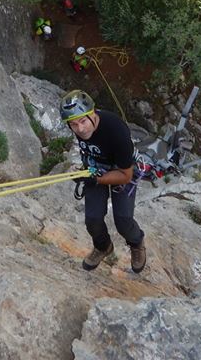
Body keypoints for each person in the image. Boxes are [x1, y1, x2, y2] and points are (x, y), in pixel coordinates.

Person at [60, 89, 146, 273]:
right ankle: (103, 247)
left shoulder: (116, 132)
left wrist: (97, 180)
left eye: (83, 121)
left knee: (123, 221)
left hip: (121, 170)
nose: (80, 129)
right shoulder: (80, 127)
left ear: (93, 112)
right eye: (74, 124)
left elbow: (126, 175)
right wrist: (87, 174)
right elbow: (89, 150)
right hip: (96, 168)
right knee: (92, 220)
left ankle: (137, 243)